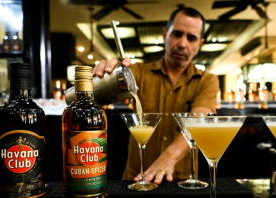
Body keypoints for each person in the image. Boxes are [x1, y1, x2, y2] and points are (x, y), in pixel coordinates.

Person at [93, 7, 219, 184]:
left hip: (182, 181)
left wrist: (170, 157)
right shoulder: (138, 73)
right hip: (136, 179)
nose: (183, 44)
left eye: (191, 38)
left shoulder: (207, 81)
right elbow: (94, 96)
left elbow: (199, 120)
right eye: (177, 34)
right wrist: (104, 78)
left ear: (199, 44)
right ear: (165, 35)